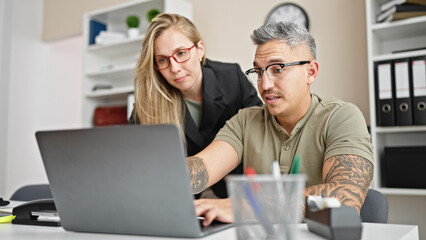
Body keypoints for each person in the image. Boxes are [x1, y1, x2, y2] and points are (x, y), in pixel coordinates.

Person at [186, 21, 374, 226]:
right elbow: (202, 168)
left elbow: (345, 199)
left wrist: (248, 206)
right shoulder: (245, 121)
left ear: (310, 72)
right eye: (258, 72)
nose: (265, 85)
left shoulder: (342, 117)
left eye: (277, 69)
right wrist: (162, 176)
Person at [129, 13, 263, 198]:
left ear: (200, 49)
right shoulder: (148, 104)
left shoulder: (232, 78)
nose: (174, 68)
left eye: (181, 53)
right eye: (162, 60)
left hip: (237, 196)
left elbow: (261, 134)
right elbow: (135, 162)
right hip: (181, 201)